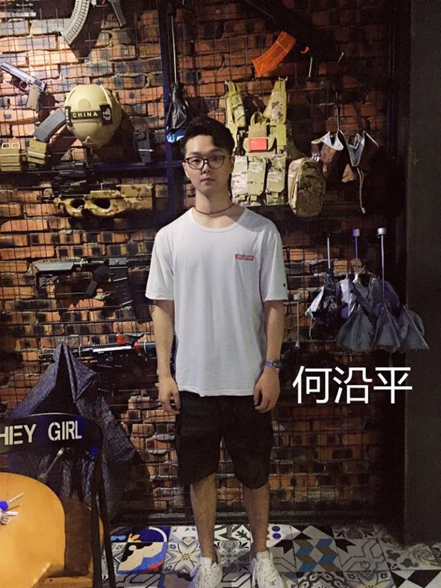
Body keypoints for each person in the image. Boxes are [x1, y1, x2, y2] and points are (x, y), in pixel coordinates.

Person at [146, 116, 288, 588]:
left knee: (255, 476)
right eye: (195, 160)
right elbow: (162, 310)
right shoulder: (170, 237)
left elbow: (274, 306)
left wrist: (271, 368)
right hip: (193, 383)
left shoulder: (260, 233)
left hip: (249, 381)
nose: (204, 167)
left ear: (230, 162)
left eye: (214, 158)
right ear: (185, 167)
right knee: (199, 476)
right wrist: (165, 374)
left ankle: (261, 555)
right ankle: (208, 559)